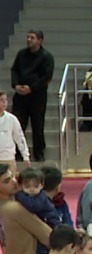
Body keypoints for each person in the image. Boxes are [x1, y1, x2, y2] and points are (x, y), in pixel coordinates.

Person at [10, 30, 52, 160]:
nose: (29, 40)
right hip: (20, 95)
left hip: (37, 96)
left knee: (37, 125)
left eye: (32, 37)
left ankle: (38, 153)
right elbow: (14, 70)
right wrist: (16, 85)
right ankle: (17, 153)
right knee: (18, 125)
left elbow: (46, 77)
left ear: (40, 40)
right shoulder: (21, 54)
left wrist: (32, 88)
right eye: (28, 37)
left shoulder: (46, 57)